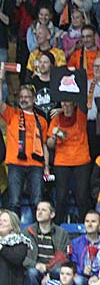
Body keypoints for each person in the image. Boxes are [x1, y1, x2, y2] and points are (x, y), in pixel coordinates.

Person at [0, 81, 49, 216]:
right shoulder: (12, 114)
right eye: (21, 97)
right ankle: (14, 228)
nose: (23, 99)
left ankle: (38, 229)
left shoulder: (42, 121)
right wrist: (1, 79)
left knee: (37, 201)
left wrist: (46, 167)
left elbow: (44, 145)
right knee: (14, 201)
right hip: (15, 164)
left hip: (36, 165)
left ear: (34, 99)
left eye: (27, 96)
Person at [47, 99, 91, 224]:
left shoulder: (80, 115)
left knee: (82, 196)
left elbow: (84, 104)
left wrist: (63, 110)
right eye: (63, 103)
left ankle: (84, 226)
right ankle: (57, 226)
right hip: (62, 161)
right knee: (61, 197)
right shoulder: (56, 119)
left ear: (74, 103)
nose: (65, 106)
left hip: (81, 160)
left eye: (68, 103)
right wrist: (54, 137)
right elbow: (49, 144)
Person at [23, 201, 69, 285]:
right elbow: (21, 256)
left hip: (54, 269)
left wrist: (49, 272)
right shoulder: (27, 232)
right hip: (35, 268)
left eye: (43, 210)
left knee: (60, 272)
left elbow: (65, 257)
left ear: (52, 214)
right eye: (38, 210)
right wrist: (35, 265)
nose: (39, 212)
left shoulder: (62, 233)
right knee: (31, 273)